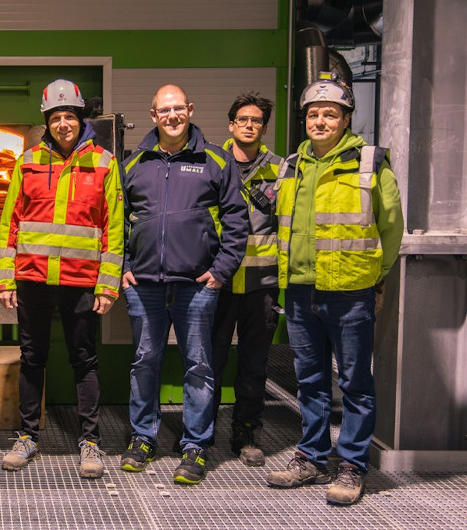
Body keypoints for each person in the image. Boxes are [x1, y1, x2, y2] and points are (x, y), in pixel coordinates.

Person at [266, 72, 403, 506]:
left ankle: (352, 465)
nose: (320, 121)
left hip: (349, 292)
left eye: (330, 114)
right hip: (301, 291)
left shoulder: (369, 163)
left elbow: (392, 227)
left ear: (346, 119)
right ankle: (311, 456)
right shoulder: (291, 166)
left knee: (356, 381)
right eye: (313, 114)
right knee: (309, 380)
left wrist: (373, 276)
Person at [0, 79, 123, 479]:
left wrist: (107, 283)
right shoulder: (28, 160)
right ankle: (28, 436)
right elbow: (10, 221)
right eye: (55, 117)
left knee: (83, 358)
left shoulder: (103, 162)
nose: (63, 123)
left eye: (69, 116)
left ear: (80, 118)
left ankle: (90, 442)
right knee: (32, 357)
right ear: (46, 121)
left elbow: (113, 227)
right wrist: (5, 277)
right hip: (31, 276)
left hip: (81, 279)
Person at [120, 84, 248, 485]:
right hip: (143, 285)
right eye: (164, 110)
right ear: (153, 115)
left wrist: (221, 271)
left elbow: (237, 221)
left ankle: (196, 445)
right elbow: (115, 220)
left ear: (190, 110)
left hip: (197, 285)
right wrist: (122, 266)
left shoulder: (215, 160)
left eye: (179, 109)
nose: (172, 116)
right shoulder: (132, 163)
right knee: (144, 363)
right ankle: (143, 438)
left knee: (199, 365)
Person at [209, 92, 285, 467]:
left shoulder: (281, 169)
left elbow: (287, 227)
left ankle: (245, 431)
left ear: (264, 128)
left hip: (261, 285)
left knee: (254, 363)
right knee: (210, 360)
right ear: (231, 125)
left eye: (256, 120)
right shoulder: (212, 162)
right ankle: (200, 433)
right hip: (219, 283)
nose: (249, 125)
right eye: (243, 119)